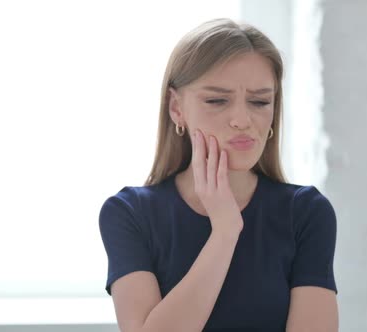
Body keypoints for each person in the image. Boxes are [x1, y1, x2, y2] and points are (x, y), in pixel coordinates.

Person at [99, 18, 338, 332]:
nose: (242, 119)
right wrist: (224, 232)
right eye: (216, 100)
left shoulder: (306, 212)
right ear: (176, 108)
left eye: (260, 101)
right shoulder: (129, 213)